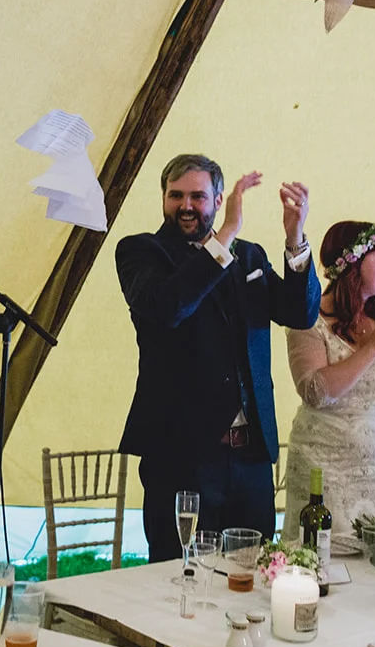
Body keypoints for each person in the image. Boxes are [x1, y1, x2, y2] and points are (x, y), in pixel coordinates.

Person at [116, 153, 319, 560]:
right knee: (178, 576)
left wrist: (295, 239)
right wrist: (224, 234)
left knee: (251, 574)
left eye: (197, 196)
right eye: (176, 196)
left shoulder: (251, 257)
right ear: (163, 198)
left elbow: (300, 313)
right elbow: (168, 308)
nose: (186, 206)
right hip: (181, 458)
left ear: (218, 197)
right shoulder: (141, 252)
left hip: (251, 459)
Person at [282, 221, 375, 536]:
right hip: (324, 468)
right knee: (325, 559)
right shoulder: (308, 319)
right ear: (351, 262)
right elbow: (316, 392)